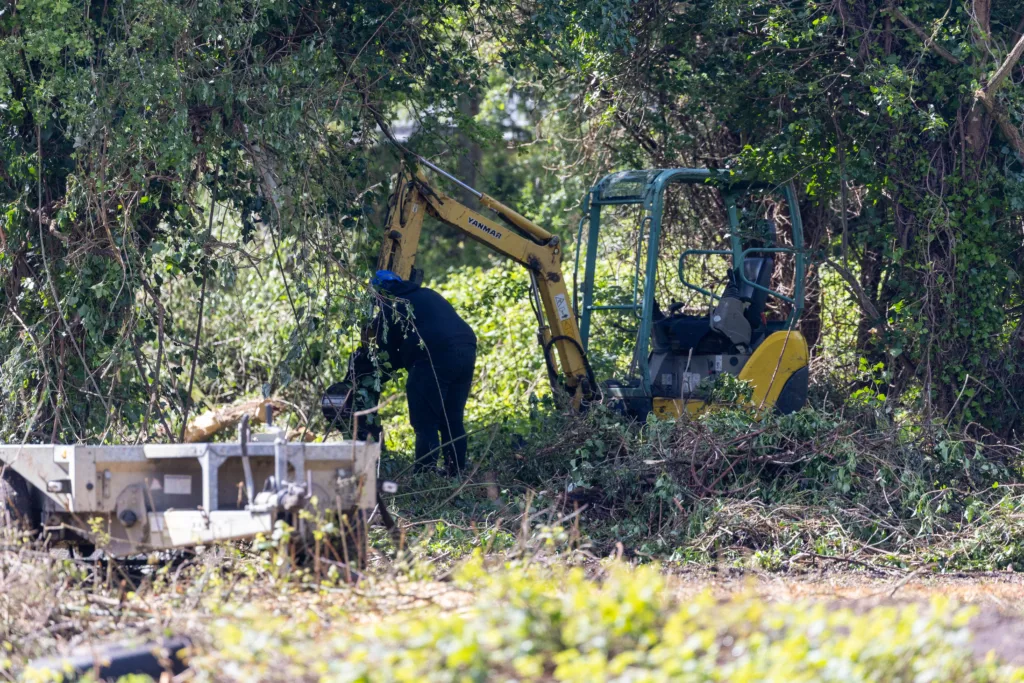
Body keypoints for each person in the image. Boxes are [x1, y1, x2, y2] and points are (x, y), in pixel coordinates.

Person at [367, 270, 477, 476]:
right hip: (467, 348)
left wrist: (378, 372)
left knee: (425, 421)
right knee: (452, 417)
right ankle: (457, 472)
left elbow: (387, 350)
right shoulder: (427, 294)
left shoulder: (391, 305)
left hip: (433, 355)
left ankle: (424, 476)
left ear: (379, 294)